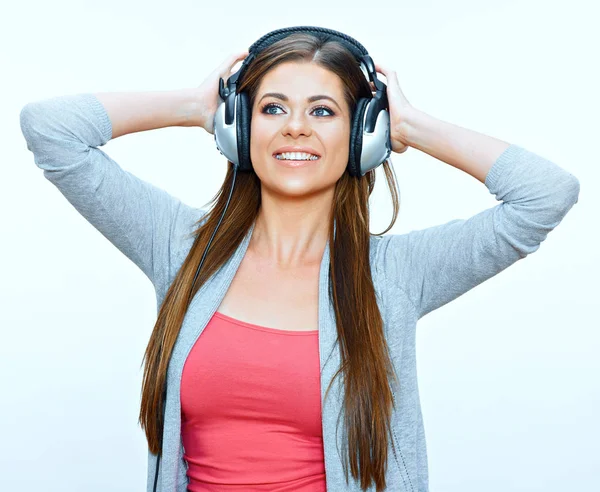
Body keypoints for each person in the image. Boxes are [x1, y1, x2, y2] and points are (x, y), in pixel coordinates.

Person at [19, 27, 580, 492]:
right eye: (272, 107)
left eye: (323, 111)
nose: (295, 126)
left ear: (363, 135)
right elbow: (51, 131)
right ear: (240, 127)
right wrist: (192, 106)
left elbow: (544, 195)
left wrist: (407, 126)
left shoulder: (396, 275)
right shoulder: (181, 245)